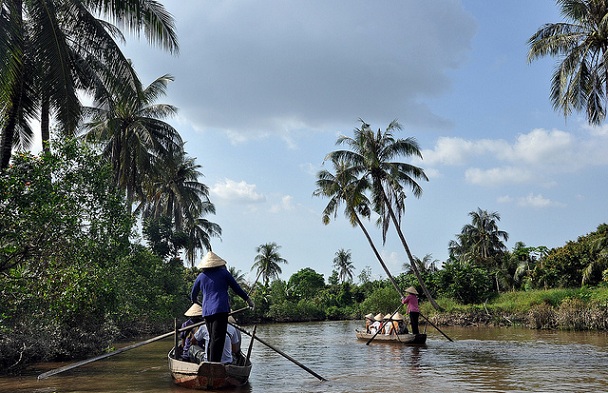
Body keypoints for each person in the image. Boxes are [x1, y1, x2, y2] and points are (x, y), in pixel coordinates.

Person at [191, 251, 254, 363]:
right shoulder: (224, 273)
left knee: (212, 337)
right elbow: (237, 288)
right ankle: (214, 364)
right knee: (218, 338)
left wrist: (197, 302)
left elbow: (193, 295)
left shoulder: (201, 276)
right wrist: (248, 301)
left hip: (206, 312)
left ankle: (210, 362)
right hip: (220, 309)